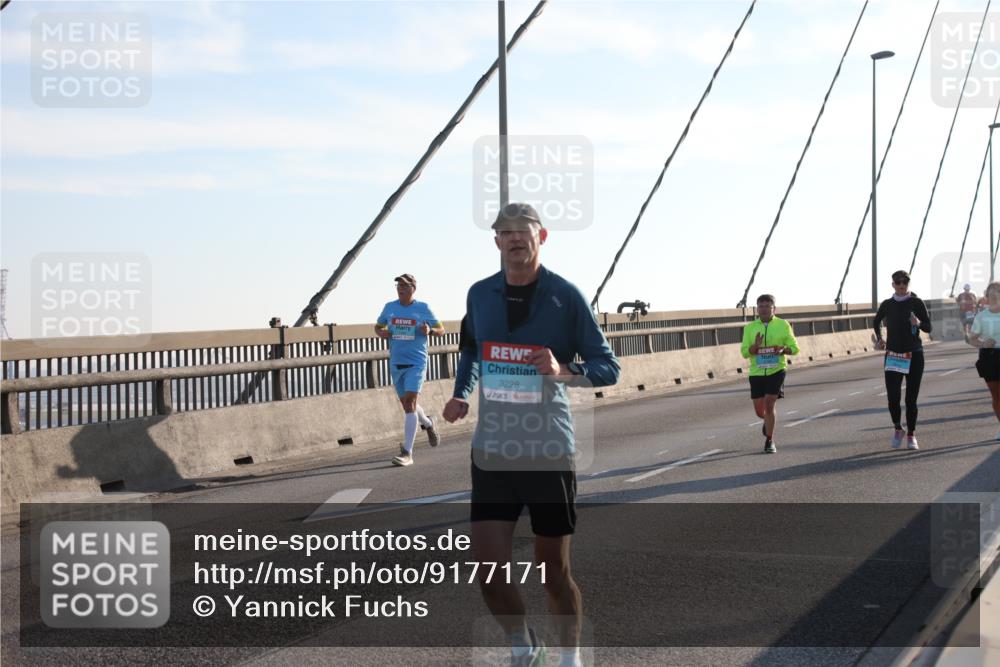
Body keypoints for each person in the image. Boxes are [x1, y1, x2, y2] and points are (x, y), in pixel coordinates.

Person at [443, 202, 620, 667]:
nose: (515, 239)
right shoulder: (479, 295)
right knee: (488, 570)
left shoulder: (566, 295)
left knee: (552, 570)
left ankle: (570, 658)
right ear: (496, 242)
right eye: (506, 233)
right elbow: (471, 352)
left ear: (543, 237)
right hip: (494, 451)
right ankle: (526, 649)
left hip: (548, 450)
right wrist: (462, 394)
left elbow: (609, 367)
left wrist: (565, 369)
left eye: (524, 232)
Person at [374, 273, 444, 466]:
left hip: (417, 362)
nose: (400, 288)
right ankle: (428, 423)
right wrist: (382, 333)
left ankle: (408, 453)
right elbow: (377, 327)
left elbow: (441, 330)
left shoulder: (423, 308)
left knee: (411, 402)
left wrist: (430, 331)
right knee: (407, 405)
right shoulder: (390, 307)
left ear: (413, 288)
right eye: (398, 285)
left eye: (404, 285)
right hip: (397, 362)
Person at [873, 270, 932, 450]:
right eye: (898, 282)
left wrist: (918, 324)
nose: (901, 285)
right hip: (893, 355)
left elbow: (928, 327)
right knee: (893, 398)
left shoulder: (916, 302)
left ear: (908, 284)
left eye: (904, 282)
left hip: (914, 355)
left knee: (910, 399)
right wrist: (880, 338)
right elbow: (876, 322)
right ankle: (898, 428)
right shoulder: (887, 304)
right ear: (893, 284)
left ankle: (912, 434)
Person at [740, 294, 800, 454]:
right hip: (757, 372)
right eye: (761, 306)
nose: (764, 309)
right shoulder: (750, 327)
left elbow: (794, 348)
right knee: (760, 411)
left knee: (769, 403)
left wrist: (783, 349)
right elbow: (745, 352)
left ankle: (770, 440)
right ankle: (767, 421)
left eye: (768, 306)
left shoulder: (783, 325)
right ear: (757, 309)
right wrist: (755, 346)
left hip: (777, 369)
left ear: (774, 308)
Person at [968, 281, 1000, 440]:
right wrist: (983, 343)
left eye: (998, 292)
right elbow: (972, 339)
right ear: (987, 297)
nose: (995, 295)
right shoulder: (981, 316)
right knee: (996, 395)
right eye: (991, 293)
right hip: (989, 356)